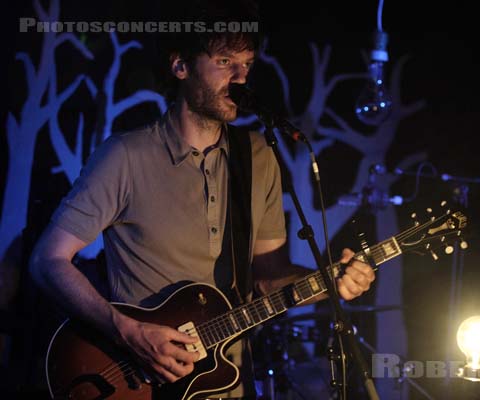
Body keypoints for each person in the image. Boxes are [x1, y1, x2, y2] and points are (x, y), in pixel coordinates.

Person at [28, 1, 375, 398]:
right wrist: (127, 331)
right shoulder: (126, 155)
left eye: (247, 64)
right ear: (180, 66)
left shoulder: (258, 156)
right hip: (141, 381)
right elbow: (48, 260)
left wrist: (330, 282)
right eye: (225, 61)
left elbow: (266, 276)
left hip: (228, 383)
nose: (241, 78)